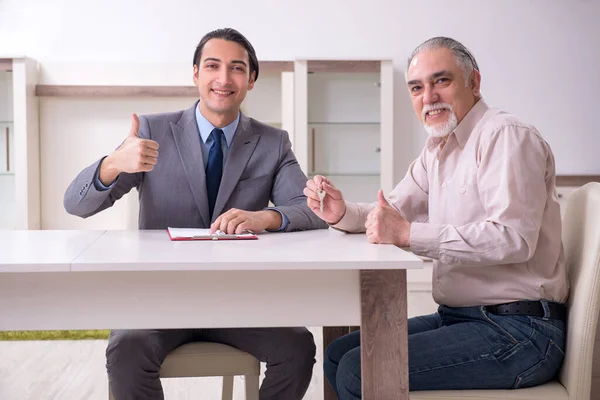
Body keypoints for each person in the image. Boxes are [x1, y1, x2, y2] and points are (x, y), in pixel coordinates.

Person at [64, 27, 327, 400]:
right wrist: (112, 164)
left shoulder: (273, 142)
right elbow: (76, 204)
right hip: (161, 297)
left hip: (239, 302)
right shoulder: (153, 131)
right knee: (125, 350)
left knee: (298, 348)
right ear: (195, 74)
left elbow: (311, 210)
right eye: (212, 66)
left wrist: (265, 217)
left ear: (251, 80)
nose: (223, 79)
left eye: (237, 68)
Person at [305, 37, 568, 399]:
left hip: (521, 331)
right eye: (417, 87)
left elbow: (513, 238)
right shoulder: (438, 151)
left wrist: (410, 234)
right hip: (464, 317)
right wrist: (342, 212)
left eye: (440, 81)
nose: (428, 97)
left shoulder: (505, 136)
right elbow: (391, 212)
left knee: (358, 370)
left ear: (473, 82)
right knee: (337, 355)